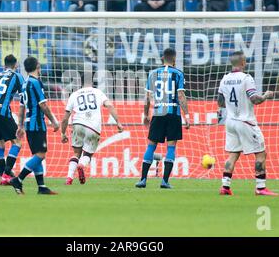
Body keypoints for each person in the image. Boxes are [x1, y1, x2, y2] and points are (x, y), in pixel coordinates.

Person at [217, 51, 278, 196]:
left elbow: (220, 102)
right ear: (243, 62)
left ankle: (225, 186)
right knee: (261, 153)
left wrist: (233, 106)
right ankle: (261, 188)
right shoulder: (246, 78)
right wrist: (266, 96)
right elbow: (254, 99)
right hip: (245, 121)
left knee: (233, 154)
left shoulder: (224, 79)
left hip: (230, 122)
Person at [135, 48, 190, 189]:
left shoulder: (153, 73)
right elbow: (181, 96)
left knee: (151, 145)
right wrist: (187, 115)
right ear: (174, 59)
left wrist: (145, 115)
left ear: (162, 58)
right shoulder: (178, 74)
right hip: (173, 114)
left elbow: (147, 98)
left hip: (158, 113)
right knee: (171, 146)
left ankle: (143, 180)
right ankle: (165, 181)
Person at [10, 56, 60, 195]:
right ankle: (18, 179)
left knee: (37, 154)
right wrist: (54, 121)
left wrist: (20, 126)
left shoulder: (25, 83)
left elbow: (21, 107)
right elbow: (43, 105)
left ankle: (41, 187)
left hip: (28, 124)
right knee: (41, 154)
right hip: (37, 124)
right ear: (37, 66)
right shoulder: (36, 83)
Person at [61, 84, 123, 185]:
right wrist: (118, 122)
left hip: (77, 124)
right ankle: (81, 164)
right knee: (87, 155)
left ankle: (69, 178)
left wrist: (63, 133)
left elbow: (65, 118)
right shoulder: (97, 92)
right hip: (93, 127)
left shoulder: (74, 95)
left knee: (76, 153)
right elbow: (109, 105)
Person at [0, 55, 24, 185]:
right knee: (17, 142)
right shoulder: (17, 76)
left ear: (4, 65)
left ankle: (3, 176)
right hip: (2, 111)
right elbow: (24, 96)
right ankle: (6, 174)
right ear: (16, 65)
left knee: (0, 144)